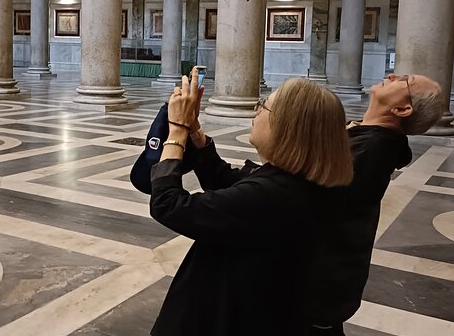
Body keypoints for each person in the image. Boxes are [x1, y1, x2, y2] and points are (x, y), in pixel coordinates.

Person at [149, 71, 355, 335]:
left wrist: (177, 132)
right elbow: (229, 182)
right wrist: (195, 131)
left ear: (288, 127)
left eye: (264, 105)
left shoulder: (275, 195)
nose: (256, 112)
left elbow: (169, 204)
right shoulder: (305, 182)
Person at [308, 73, 445, 335]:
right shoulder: (366, 136)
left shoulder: (374, 147)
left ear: (402, 109)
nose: (392, 74)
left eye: (404, 80)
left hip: (320, 277)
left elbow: (312, 196)